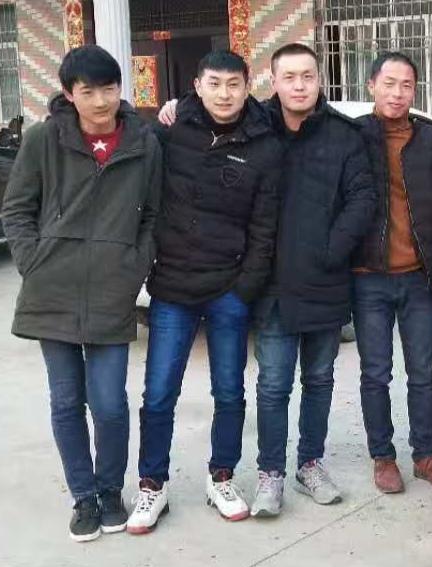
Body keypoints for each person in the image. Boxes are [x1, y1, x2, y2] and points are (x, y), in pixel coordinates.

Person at [159, 43, 376, 514]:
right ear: (272, 82)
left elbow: (362, 198)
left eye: (307, 76)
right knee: (273, 385)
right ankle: (270, 472)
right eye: (289, 77)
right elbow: (207, 117)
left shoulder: (344, 135)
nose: (299, 86)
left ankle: (310, 463)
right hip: (272, 286)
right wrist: (178, 107)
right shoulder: (256, 127)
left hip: (324, 280)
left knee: (319, 380)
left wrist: (331, 250)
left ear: (320, 80)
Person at [1, 45, 162, 542]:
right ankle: (83, 496)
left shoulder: (143, 142)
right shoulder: (43, 139)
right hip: (53, 290)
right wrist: (34, 264)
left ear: (120, 88)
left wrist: (133, 266)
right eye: (88, 91)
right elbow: (17, 209)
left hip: (113, 291)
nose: (100, 101)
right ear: (69, 94)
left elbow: (153, 215)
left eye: (109, 89)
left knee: (109, 403)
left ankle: (111, 491)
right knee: (67, 401)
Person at [126, 50, 281, 533]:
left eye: (234, 84)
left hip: (228, 287)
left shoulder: (264, 144)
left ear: (247, 86)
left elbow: (264, 228)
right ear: (197, 85)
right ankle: (153, 484)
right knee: (158, 393)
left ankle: (222, 477)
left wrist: (243, 289)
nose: (224, 94)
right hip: (173, 286)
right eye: (214, 83)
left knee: (229, 391)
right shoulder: (171, 130)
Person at [352, 52, 432, 494]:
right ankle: (383, 457)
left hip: (419, 277)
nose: (397, 93)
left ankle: (425, 456)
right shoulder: (352, 136)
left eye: (407, 85)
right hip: (368, 277)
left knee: (423, 371)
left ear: (416, 90)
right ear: (371, 86)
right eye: (389, 83)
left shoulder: (431, 140)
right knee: (376, 373)